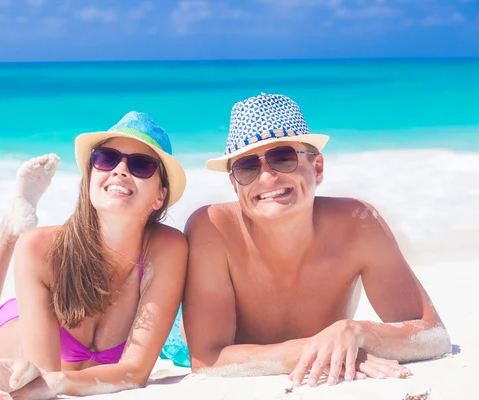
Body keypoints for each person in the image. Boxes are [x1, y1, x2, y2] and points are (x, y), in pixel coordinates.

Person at [182, 93, 452, 387]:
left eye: (283, 158)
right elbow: (206, 360)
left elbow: (433, 336)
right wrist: (315, 350)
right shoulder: (213, 229)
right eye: (247, 167)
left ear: (318, 168)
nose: (266, 177)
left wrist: (357, 332)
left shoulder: (358, 224)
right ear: (235, 184)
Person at [0, 111, 188, 399]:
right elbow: (40, 375)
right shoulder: (40, 248)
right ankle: (9, 230)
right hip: (2, 328)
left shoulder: (168, 248)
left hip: (42, 313)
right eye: (106, 158)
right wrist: (44, 381)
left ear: (160, 196)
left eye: (141, 165)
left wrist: (56, 382)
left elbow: (134, 372)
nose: (119, 170)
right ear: (90, 176)